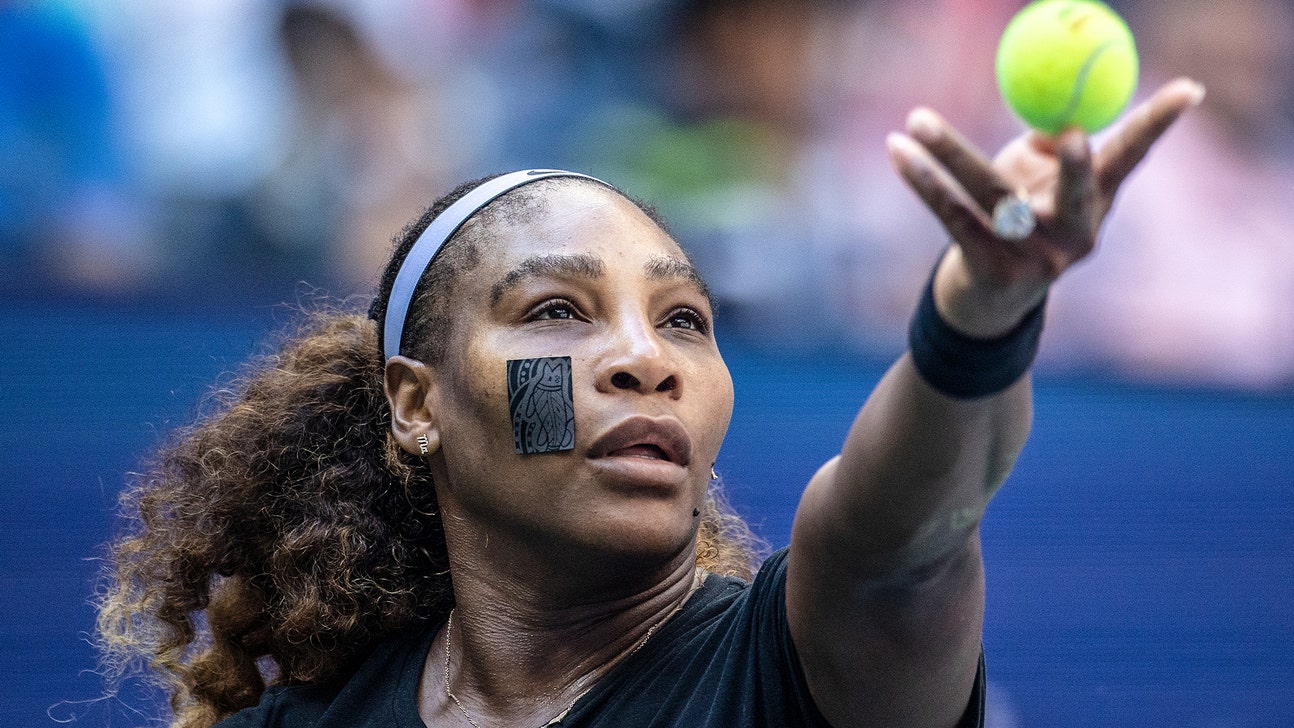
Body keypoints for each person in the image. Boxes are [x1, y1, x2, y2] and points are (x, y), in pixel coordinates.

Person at [96, 77, 1204, 727]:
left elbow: (896, 539)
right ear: (414, 403)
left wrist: (983, 313)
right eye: (554, 312)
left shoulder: (797, 665)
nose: (645, 357)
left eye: (683, 320)